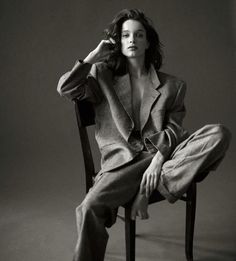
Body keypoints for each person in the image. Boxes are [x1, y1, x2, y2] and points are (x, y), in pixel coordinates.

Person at [57, 9, 231, 261]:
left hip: (164, 158)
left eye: (138, 35)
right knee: (88, 209)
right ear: (118, 41)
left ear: (148, 42)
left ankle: (145, 191)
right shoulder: (102, 75)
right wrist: (93, 57)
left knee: (218, 133)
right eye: (125, 35)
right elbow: (66, 88)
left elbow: (174, 130)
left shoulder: (173, 86)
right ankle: (149, 186)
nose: (131, 40)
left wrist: (158, 160)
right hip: (122, 165)